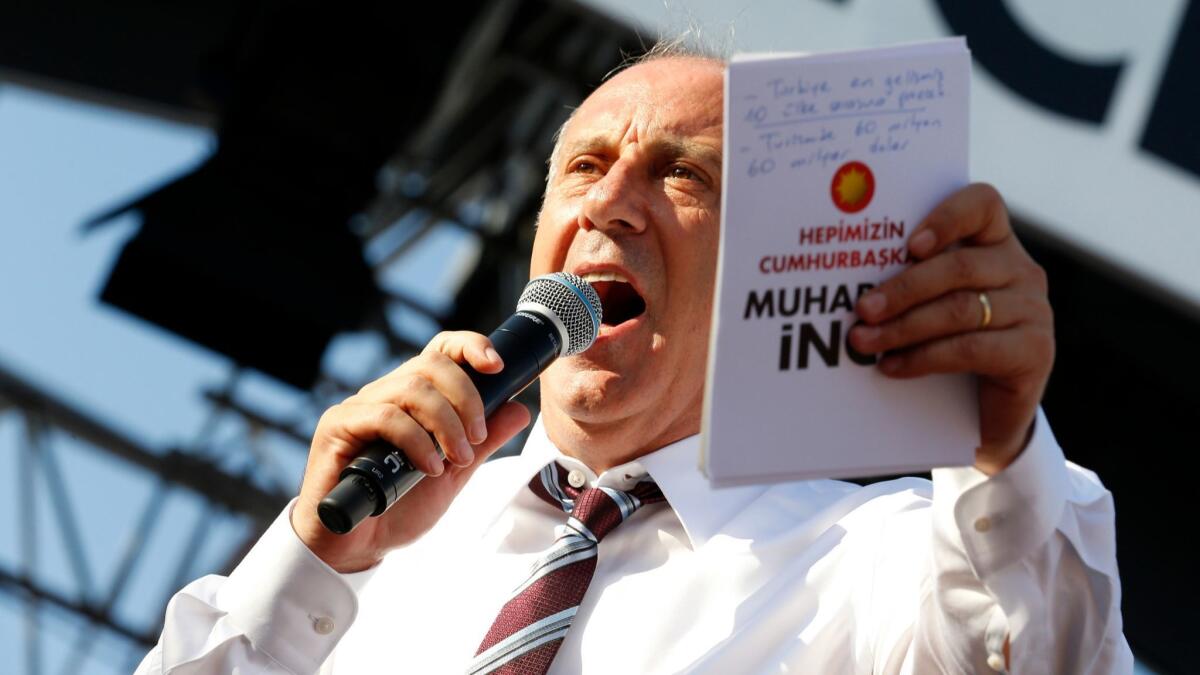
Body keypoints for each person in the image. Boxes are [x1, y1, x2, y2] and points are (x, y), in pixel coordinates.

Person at [135, 48, 1130, 674]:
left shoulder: (870, 563)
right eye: (583, 165)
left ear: (765, 262)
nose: (610, 204)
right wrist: (311, 556)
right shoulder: (384, 550)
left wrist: (997, 445)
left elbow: (1036, 649)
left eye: (679, 174)